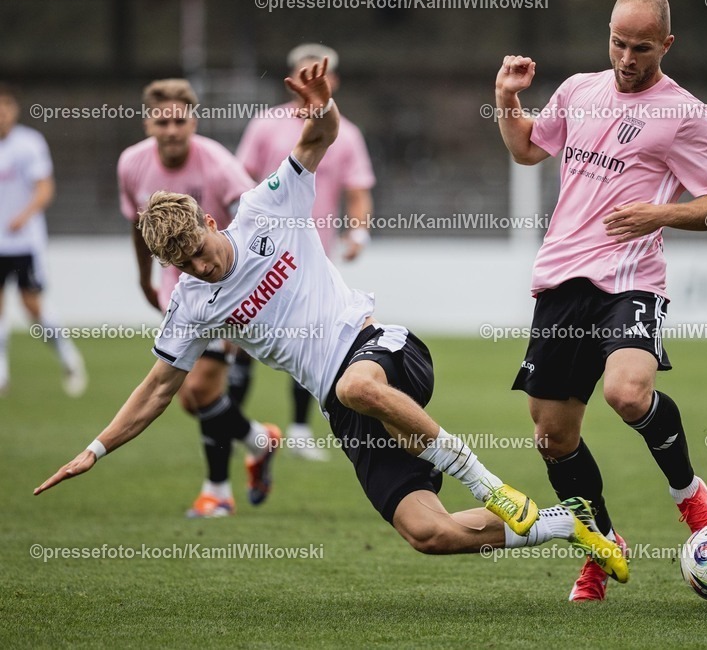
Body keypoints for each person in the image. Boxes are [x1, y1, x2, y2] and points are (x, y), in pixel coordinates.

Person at [35, 59, 628, 580]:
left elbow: (319, 137)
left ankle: (491, 485)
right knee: (430, 533)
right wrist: (95, 448)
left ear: (211, 224)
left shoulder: (265, 208)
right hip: (344, 405)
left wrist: (321, 106)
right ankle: (568, 524)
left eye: (198, 248)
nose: (199, 266)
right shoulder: (191, 304)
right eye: (181, 263)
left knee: (356, 382)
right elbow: (157, 389)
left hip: (382, 351)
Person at [494, 0, 707, 601]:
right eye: (618, 43)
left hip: (629, 277)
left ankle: (690, 499)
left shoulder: (684, 113)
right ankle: (602, 545)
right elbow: (527, 149)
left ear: (666, 43)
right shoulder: (580, 89)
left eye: (640, 47)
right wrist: (506, 100)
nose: (627, 58)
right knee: (553, 437)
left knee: (627, 393)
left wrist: (661, 213)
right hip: (560, 279)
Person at [118, 78, 278, 518]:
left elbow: (254, 219)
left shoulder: (218, 165)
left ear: (193, 120)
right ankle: (260, 442)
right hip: (180, 293)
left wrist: (245, 292)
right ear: (148, 123)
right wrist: (143, 277)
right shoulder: (131, 164)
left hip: (224, 285)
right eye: (162, 121)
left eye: (179, 120)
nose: (171, 130)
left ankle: (217, 493)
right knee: (191, 397)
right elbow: (140, 227)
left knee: (203, 388)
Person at [231, 43, 375, 461]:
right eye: (304, 74)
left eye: (322, 74)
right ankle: (243, 430)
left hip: (311, 257)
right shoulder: (265, 126)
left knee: (308, 336)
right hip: (257, 253)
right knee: (241, 337)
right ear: (290, 78)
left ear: (335, 80)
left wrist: (359, 233)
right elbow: (238, 181)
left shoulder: (346, 133)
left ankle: (298, 430)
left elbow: (358, 189)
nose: (312, 82)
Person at [0, 83, 87, 398]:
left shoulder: (29, 144)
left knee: (31, 306)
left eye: (5, 107)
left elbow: (45, 188)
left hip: (23, 243)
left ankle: (69, 358)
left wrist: (24, 215)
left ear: (15, 110)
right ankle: (2, 376)